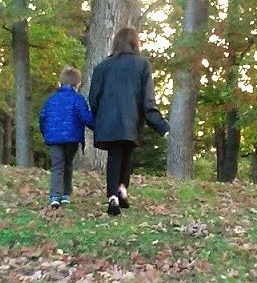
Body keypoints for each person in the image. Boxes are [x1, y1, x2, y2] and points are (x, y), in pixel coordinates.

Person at [88, 27, 170, 216]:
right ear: (135, 43)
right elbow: (147, 100)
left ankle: (115, 197)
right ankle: (120, 193)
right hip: (131, 120)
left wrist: (98, 119)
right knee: (126, 153)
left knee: (115, 156)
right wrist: (161, 124)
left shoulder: (102, 67)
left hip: (108, 120)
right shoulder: (142, 65)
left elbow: (93, 99)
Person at [38, 66, 95, 209]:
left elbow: (43, 117)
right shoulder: (78, 99)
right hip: (72, 138)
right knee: (68, 164)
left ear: (60, 83)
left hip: (54, 139)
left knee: (57, 166)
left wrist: (46, 133)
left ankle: (54, 196)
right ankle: (66, 194)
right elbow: (85, 117)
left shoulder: (51, 100)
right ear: (78, 85)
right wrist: (97, 124)